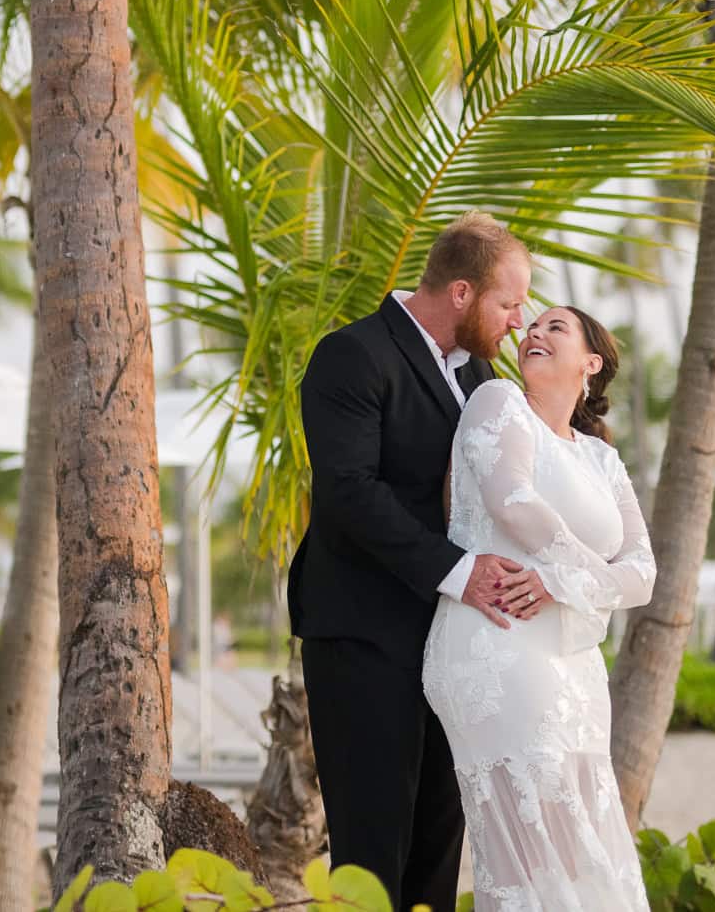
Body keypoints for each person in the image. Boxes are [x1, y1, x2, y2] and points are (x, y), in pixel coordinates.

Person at [290, 212, 543, 912]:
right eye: (508, 302)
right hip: (363, 637)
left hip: (449, 646)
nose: (519, 321)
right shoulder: (352, 355)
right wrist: (464, 572)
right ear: (461, 293)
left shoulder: (480, 373)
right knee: (372, 852)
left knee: (439, 840)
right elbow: (349, 493)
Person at [423, 304, 656, 912]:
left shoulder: (602, 458)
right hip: (499, 643)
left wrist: (561, 582)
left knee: (582, 843)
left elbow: (644, 572)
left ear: (591, 363)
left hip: (576, 665)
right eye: (532, 326)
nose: (535, 332)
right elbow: (513, 502)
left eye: (556, 327)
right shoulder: (499, 402)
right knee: (531, 848)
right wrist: (588, 579)